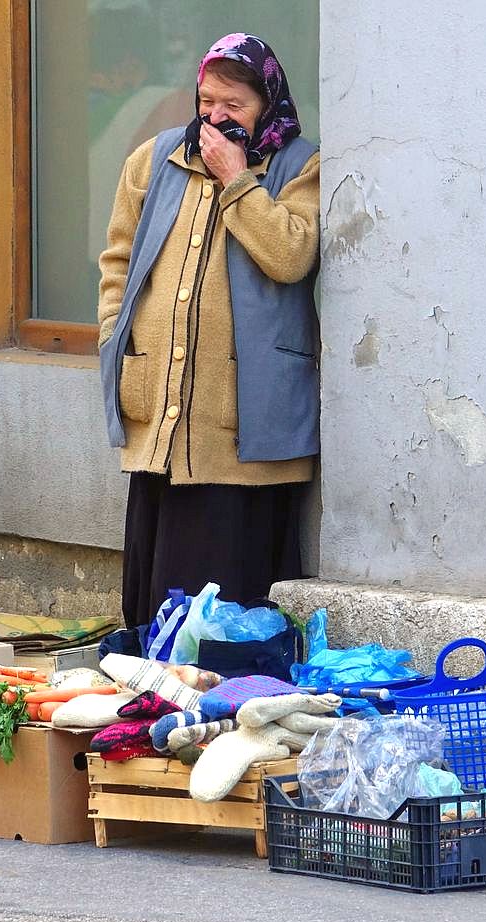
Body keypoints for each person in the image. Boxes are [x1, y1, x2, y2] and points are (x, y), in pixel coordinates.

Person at [97, 33, 320, 628]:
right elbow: (117, 262)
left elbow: (291, 256)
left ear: (266, 104)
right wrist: (115, 340)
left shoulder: (301, 166)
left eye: (234, 105)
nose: (216, 118)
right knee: (153, 607)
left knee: (225, 615)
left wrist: (237, 181)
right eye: (206, 102)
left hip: (241, 428)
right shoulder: (154, 160)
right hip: (160, 415)